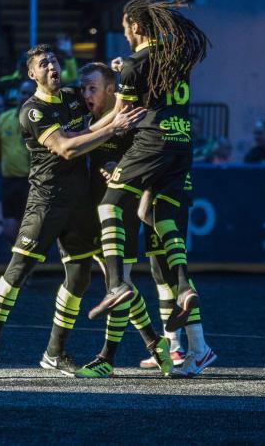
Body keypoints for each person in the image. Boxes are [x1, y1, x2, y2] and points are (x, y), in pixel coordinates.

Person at [0, 44, 144, 379]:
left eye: (53, 60)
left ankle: (54, 352)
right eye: (43, 63)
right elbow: (66, 147)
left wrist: (123, 77)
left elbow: (97, 119)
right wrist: (113, 127)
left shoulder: (72, 97)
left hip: (79, 204)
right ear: (32, 74)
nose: (51, 66)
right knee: (17, 272)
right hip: (46, 202)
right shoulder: (32, 111)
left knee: (79, 277)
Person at [89, 0, 209, 338]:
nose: (124, 34)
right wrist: (123, 69)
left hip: (152, 144)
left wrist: (81, 134)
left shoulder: (133, 64)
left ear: (137, 25)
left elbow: (119, 116)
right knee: (159, 217)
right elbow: (149, 83)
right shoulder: (175, 59)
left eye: (125, 27)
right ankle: (185, 285)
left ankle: (116, 284)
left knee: (110, 205)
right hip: (182, 145)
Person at [72, 62, 173, 379]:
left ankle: (107, 359)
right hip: (98, 213)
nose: (86, 94)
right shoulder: (90, 120)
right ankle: (156, 345)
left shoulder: (130, 121)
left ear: (112, 89)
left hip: (122, 213)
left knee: (119, 286)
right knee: (120, 286)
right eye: (84, 88)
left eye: (93, 88)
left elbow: (149, 163)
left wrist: (121, 168)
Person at [138, 181, 217, 377]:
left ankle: (199, 349)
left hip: (168, 191)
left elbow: (163, 153)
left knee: (174, 273)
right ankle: (173, 345)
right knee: (161, 274)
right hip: (159, 191)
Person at [0, 80, 34, 244]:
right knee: (10, 231)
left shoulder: (39, 122)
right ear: (17, 95)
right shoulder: (4, 118)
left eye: (29, 94)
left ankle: (24, 267)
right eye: (22, 93)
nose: (24, 97)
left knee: (29, 233)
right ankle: (20, 265)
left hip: (31, 183)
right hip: (8, 182)